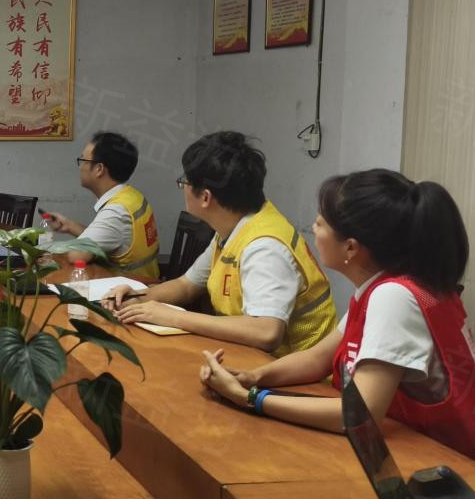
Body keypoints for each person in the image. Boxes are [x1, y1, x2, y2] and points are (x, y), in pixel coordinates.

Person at [199, 169, 475, 457]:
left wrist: (249, 398)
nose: (313, 229)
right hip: (416, 449)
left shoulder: (394, 297)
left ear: (351, 247)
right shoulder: (384, 286)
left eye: (320, 224)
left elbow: (359, 415)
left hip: (444, 460)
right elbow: (318, 359)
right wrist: (251, 377)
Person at [104, 131, 336, 354]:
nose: (183, 187)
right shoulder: (233, 226)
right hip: (251, 360)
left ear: (205, 197)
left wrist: (174, 317)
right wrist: (139, 297)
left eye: (184, 181)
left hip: (295, 374)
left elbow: (266, 331)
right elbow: (186, 285)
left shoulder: (265, 247)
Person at [42, 131, 161, 279]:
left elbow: (76, 255)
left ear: (99, 169)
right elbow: (108, 238)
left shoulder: (116, 212)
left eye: (83, 160)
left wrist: (46, 249)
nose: (80, 167)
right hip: (143, 282)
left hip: (131, 289)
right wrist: (69, 226)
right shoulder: (132, 197)